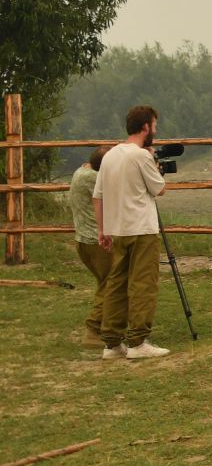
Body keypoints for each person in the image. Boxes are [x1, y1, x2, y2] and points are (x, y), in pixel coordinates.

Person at [94, 105, 170, 360]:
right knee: (143, 284)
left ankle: (112, 343)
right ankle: (138, 341)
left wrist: (102, 228)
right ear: (145, 127)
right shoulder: (141, 156)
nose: (155, 131)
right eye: (154, 126)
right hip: (142, 229)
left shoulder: (110, 156)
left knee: (117, 284)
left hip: (117, 229)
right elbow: (159, 189)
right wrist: (155, 164)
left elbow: (98, 195)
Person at [68, 146, 112, 346]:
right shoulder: (94, 179)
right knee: (112, 283)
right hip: (97, 242)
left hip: (84, 240)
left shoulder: (81, 171)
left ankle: (108, 324)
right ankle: (93, 330)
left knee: (106, 283)